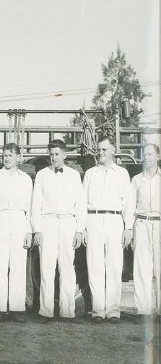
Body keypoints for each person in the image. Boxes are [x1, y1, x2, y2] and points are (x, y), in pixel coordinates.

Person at [31, 139, 86, 322]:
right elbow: (35, 204)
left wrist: (79, 230)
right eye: (51, 154)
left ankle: (67, 312)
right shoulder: (41, 175)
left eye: (57, 154)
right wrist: (37, 229)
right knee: (46, 267)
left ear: (64, 155)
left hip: (68, 222)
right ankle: (45, 311)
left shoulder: (73, 175)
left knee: (67, 268)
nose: (53, 158)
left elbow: (80, 205)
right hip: (47, 222)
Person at [82, 135, 131, 324]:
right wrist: (83, 228)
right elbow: (83, 203)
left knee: (113, 265)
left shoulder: (122, 174)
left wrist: (128, 228)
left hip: (114, 219)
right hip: (93, 219)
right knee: (94, 265)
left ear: (112, 151)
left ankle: (113, 310)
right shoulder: (90, 174)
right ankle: (97, 310)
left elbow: (128, 203)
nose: (100, 153)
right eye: (98, 149)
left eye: (104, 150)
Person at [0, 143, 33, 322]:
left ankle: (16, 309)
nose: (7, 158)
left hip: (19, 220)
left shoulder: (26, 179)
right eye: (5, 155)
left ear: (18, 157)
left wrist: (29, 231)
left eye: (11, 155)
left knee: (18, 266)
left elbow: (30, 208)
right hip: (0, 220)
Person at [125, 143, 161, 321]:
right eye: (144, 155)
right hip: (142, 223)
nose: (147, 158)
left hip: (159, 224)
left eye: (150, 154)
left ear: (157, 157)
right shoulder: (137, 180)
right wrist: (129, 229)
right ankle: (144, 311)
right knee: (142, 269)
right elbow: (130, 206)